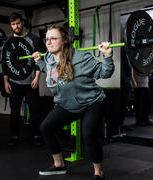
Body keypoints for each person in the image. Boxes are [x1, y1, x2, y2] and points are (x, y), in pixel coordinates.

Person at [32, 25, 114, 180]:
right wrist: (39, 62)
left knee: (87, 134)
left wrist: (107, 56)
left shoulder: (82, 58)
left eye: (53, 38)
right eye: (47, 39)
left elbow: (105, 72)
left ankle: (99, 172)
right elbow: (50, 72)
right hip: (68, 104)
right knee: (46, 127)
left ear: (64, 41)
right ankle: (59, 165)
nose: (48, 42)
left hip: (92, 102)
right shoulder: (48, 58)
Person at [3, 12, 44, 147]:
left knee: (35, 110)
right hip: (14, 82)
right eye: (13, 24)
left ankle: (37, 135)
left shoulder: (34, 39)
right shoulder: (8, 41)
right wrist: (6, 81)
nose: (16, 26)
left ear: (23, 23)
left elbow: (39, 60)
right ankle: (14, 136)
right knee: (14, 111)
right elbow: (6, 63)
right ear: (11, 25)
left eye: (18, 23)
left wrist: (37, 78)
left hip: (30, 81)